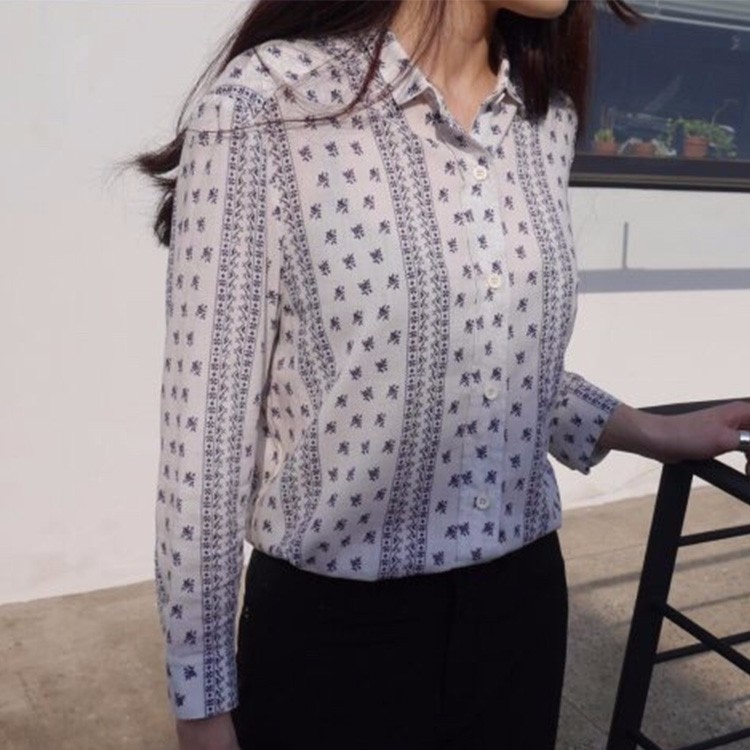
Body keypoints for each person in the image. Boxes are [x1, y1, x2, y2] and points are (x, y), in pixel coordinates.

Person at [130, 1, 750, 748]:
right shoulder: (268, 105)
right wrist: (202, 710)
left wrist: (649, 431)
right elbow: (205, 434)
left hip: (520, 614)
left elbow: (493, 362)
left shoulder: (542, 118)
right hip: (336, 645)